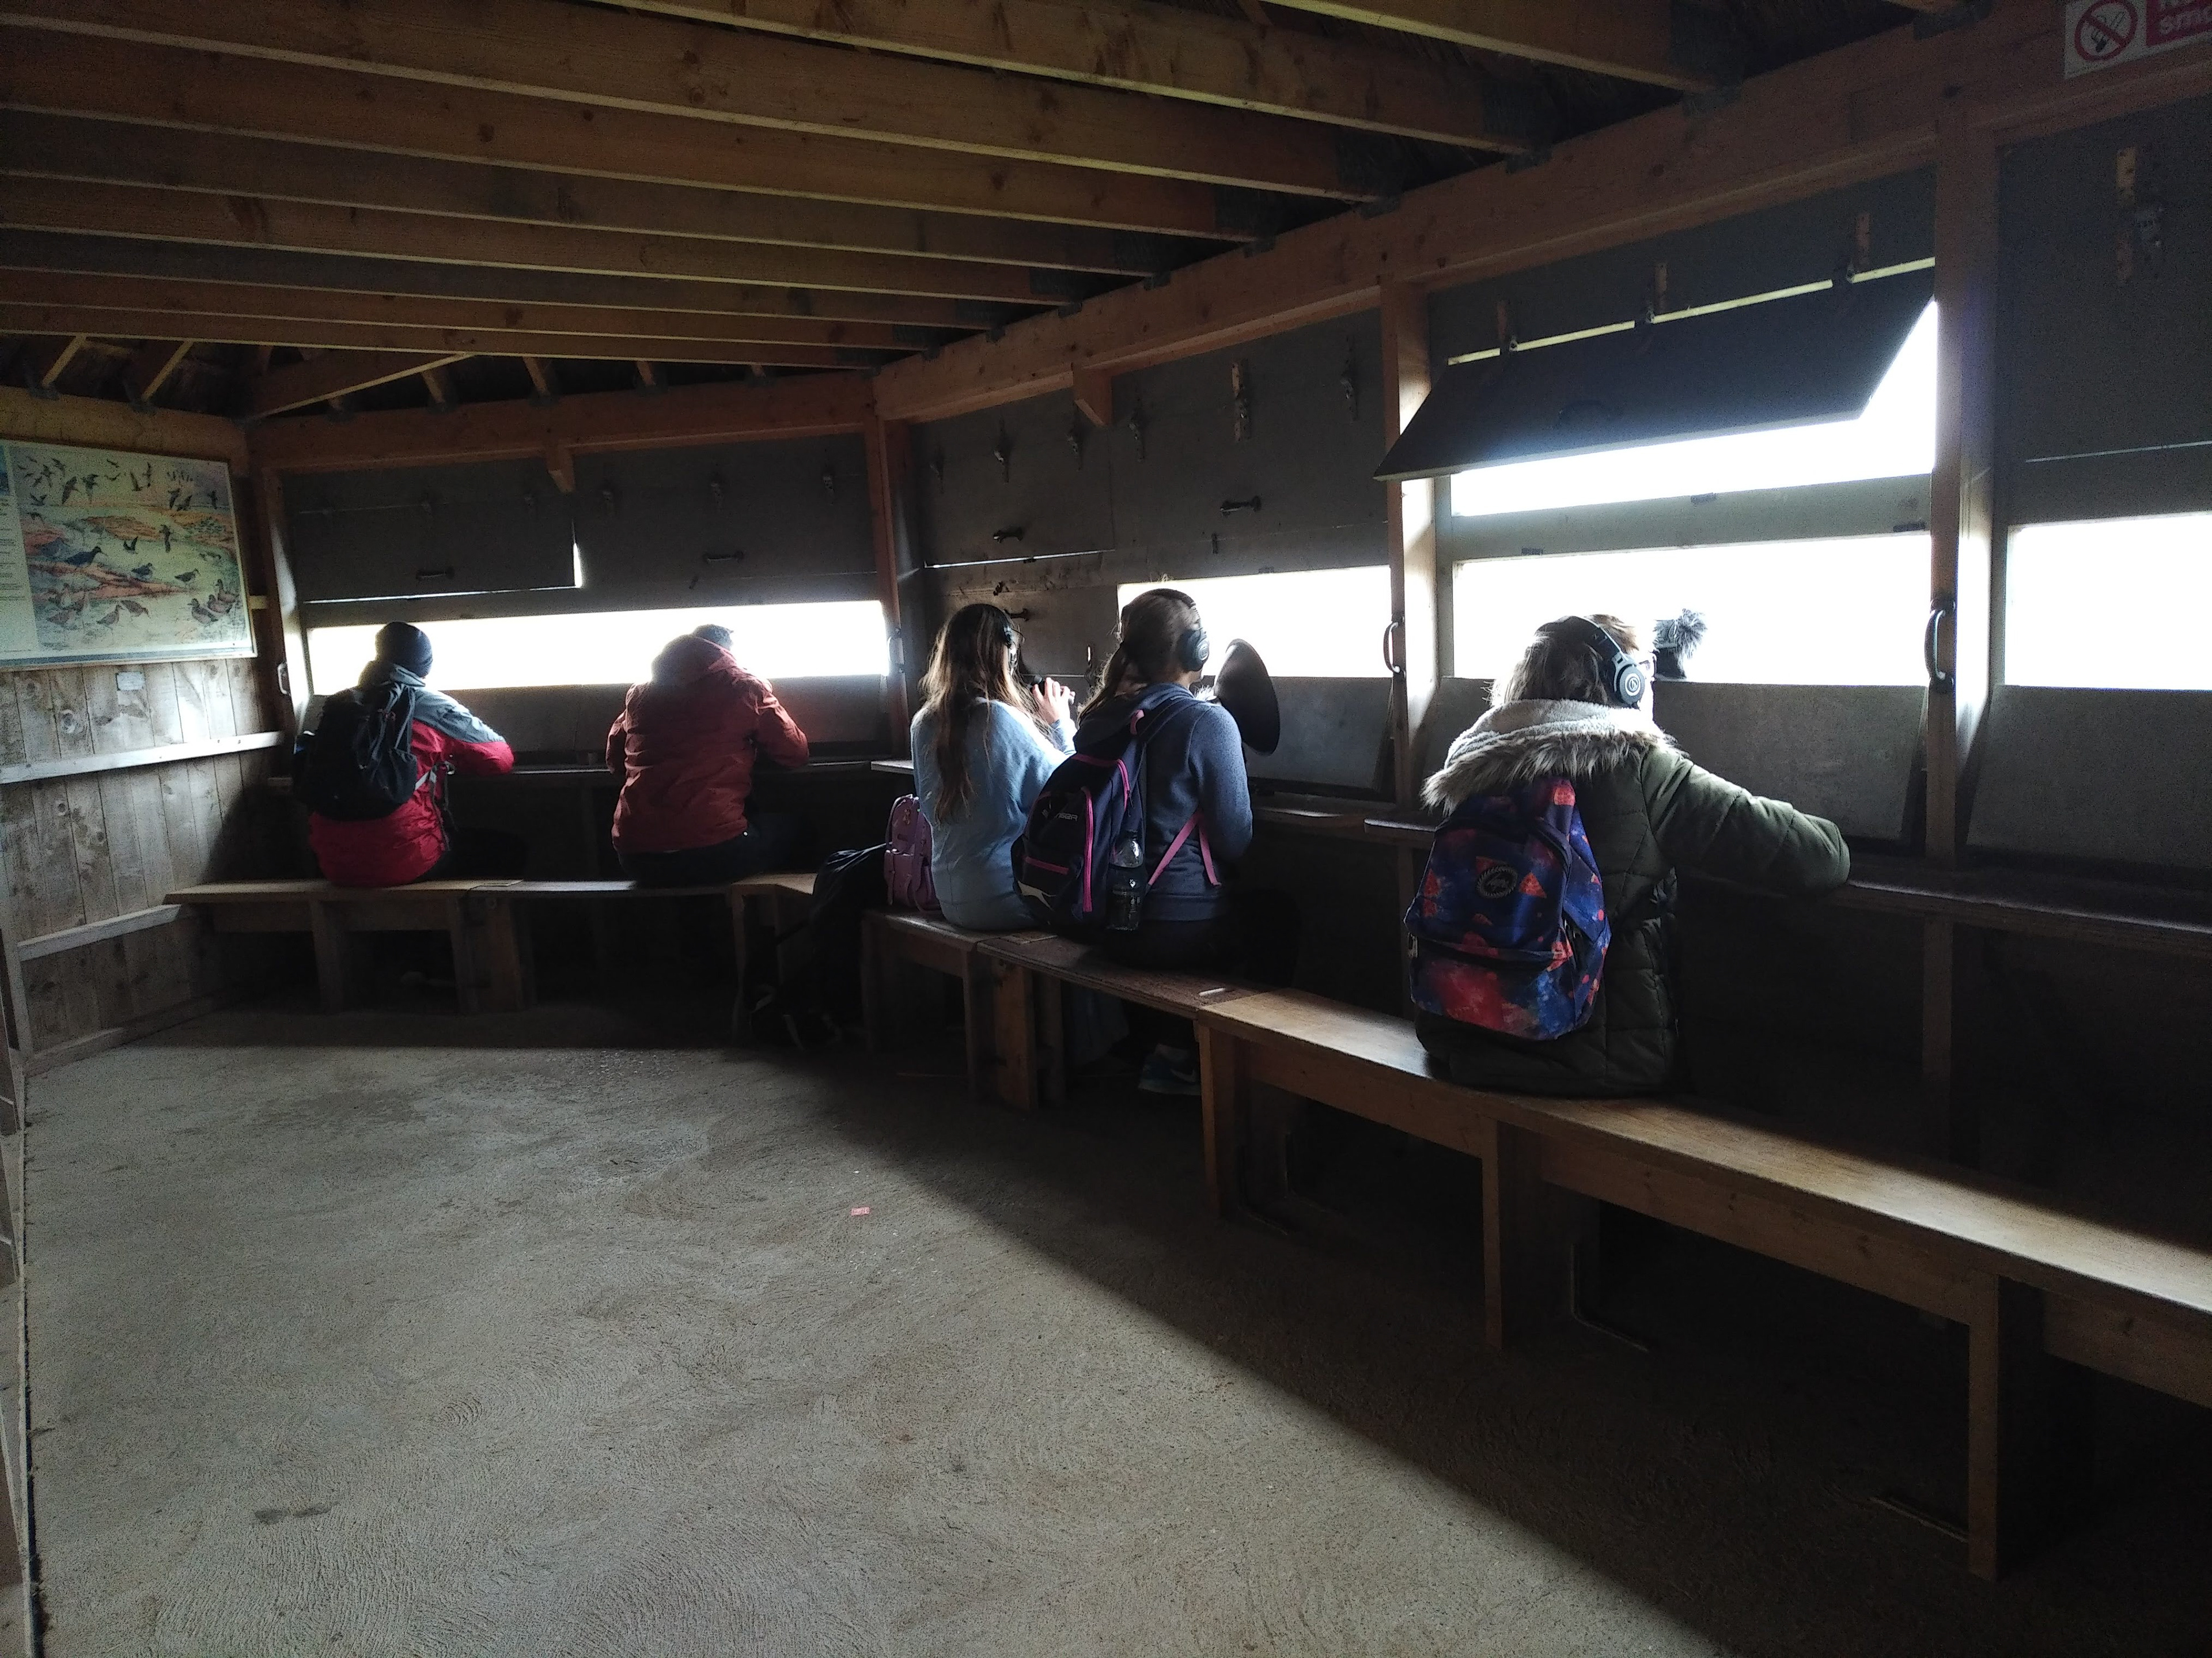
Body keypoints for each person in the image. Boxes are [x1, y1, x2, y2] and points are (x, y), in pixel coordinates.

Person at [1415, 613, 1851, 1096]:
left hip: (1459, 1034)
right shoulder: (1641, 768)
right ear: (1627, 683)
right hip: (1597, 1058)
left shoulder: (1473, 769)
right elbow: (1818, 860)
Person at [1070, 588, 1293, 1093]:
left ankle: (1169, 1048)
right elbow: (1235, 841)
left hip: (1101, 919)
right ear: (1198, 650)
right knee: (1276, 918)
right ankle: (1245, 1075)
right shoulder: (1207, 722)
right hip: (1171, 929)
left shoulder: (1098, 718)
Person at [303, 620, 522, 886]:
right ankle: (458, 927)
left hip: (333, 863)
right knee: (509, 850)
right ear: (424, 664)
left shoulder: (341, 704)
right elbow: (499, 759)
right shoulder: (429, 703)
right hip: (405, 859)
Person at [910, 603, 1075, 930]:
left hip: (948, 896)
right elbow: (1070, 788)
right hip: (1006, 898)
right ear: (1006, 655)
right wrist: (1061, 724)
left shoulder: (922, 723)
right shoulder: (998, 718)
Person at [607, 623, 810, 886]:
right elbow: (796, 753)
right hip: (715, 853)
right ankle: (770, 924)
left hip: (637, 858)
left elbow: (615, 761)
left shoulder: (640, 695)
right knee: (798, 830)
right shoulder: (744, 687)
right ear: (724, 652)